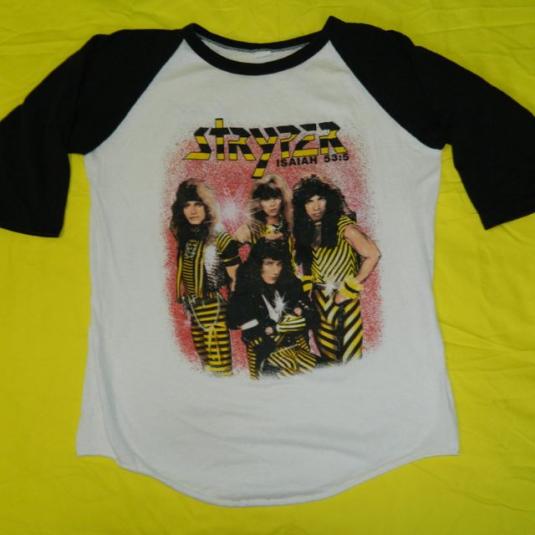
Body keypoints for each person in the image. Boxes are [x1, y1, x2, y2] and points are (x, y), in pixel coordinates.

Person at [292, 174, 381, 365]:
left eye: (320, 199)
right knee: (330, 363)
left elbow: (373, 254)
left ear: (329, 201)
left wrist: (348, 289)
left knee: (351, 361)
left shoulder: (343, 226)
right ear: (302, 206)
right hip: (318, 302)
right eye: (309, 201)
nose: (316, 207)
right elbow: (307, 268)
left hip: (344, 300)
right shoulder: (305, 230)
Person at [170, 178, 240, 376]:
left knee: (220, 367)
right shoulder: (186, 235)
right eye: (187, 205)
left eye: (198, 204)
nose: (192, 211)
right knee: (206, 366)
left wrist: (236, 307)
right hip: (193, 308)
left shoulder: (219, 235)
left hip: (213, 306)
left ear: (207, 206)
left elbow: (236, 275)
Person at [228, 239, 318, 379]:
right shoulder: (246, 290)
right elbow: (235, 322)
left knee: (324, 372)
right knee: (292, 375)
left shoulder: (292, 284)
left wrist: (302, 313)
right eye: (269, 264)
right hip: (265, 353)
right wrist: (275, 328)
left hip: (297, 349)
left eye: (279, 264)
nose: (275, 270)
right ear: (258, 264)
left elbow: (312, 315)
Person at [234, 174, 295, 264]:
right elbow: (225, 251)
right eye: (266, 199)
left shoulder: (291, 225)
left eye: (276, 197)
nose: (272, 204)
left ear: (282, 199)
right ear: (259, 202)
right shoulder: (252, 229)